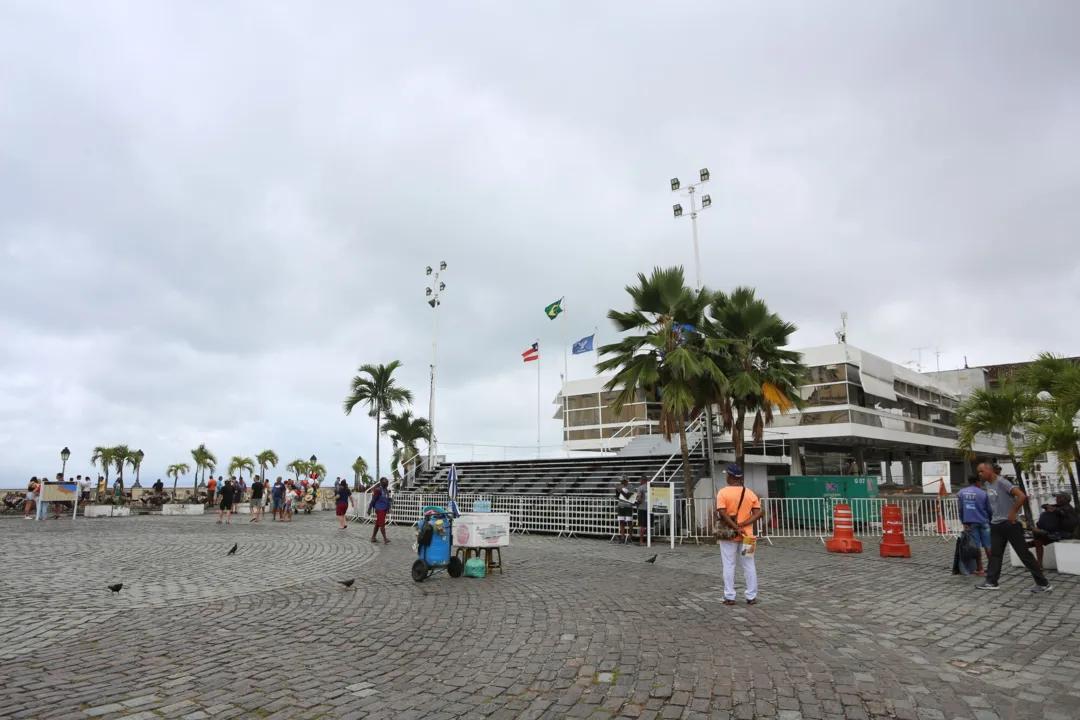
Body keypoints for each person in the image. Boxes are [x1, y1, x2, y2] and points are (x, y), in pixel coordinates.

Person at [975, 461, 1052, 593]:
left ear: (990, 471)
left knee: (1023, 554)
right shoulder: (987, 484)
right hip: (996, 523)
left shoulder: (1002, 482)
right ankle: (991, 581)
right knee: (995, 554)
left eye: (982, 471)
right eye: (979, 472)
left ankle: (1043, 583)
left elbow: (1021, 496)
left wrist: (1013, 511)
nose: (980, 474)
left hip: (1010, 524)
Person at [715, 464, 763, 606]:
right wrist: (744, 524)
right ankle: (751, 596)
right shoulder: (749, 493)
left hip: (728, 535)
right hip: (747, 535)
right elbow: (758, 512)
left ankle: (729, 596)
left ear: (730, 476)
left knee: (729, 565)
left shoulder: (722, 493)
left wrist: (736, 527)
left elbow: (722, 512)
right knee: (749, 564)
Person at [1030, 493, 1079, 569]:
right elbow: (1043, 506)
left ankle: (1024, 548)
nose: (1057, 499)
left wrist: (1054, 509)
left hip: (1061, 534)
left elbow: (1061, 512)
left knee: (1037, 537)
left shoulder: (1068, 509)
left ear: (1066, 500)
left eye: (1059, 498)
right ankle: (1039, 564)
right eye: (1057, 497)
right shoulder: (1058, 506)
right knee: (1037, 539)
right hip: (1052, 532)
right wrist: (1047, 506)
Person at [957, 474, 993, 574]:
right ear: (977, 482)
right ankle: (993, 567)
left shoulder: (961, 493)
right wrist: (990, 520)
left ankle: (980, 568)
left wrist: (963, 521)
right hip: (984, 522)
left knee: (975, 546)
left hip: (970, 523)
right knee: (988, 545)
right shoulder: (983, 493)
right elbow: (989, 509)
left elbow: (960, 509)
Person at [368, 477, 392, 543]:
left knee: (378, 523)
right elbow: (373, 500)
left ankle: (373, 537)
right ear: (381, 482)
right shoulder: (378, 490)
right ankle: (385, 538)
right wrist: (369, 509)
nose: (387, 483)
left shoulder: (386, 490)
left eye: (387, 481)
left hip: (384, 509)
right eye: (386, 481)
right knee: (382, 524)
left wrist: (388, 508)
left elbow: (387, 500)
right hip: (379, 509)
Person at [615, 477, 634, 544]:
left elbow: (628, 496)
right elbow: (618, 496)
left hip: (628, 506)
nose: (620, 481)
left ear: (625, 480)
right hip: (621, 505)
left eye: (621, 480)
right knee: (621, 522)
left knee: (629, 522)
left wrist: (620, 490)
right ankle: (622, 537)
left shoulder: (631, 486)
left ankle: (630, 538)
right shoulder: (621, 486)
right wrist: (616, 490)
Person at [635, 476, 649, 546]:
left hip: (642, 508)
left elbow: (639, 499)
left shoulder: (640, 488)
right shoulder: (650, 487)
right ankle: (648, 540)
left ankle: (641, 541)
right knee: (648, 525)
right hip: (649, 508)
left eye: (640, 480)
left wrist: (636, 503)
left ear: (642, 480)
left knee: (642, 525)